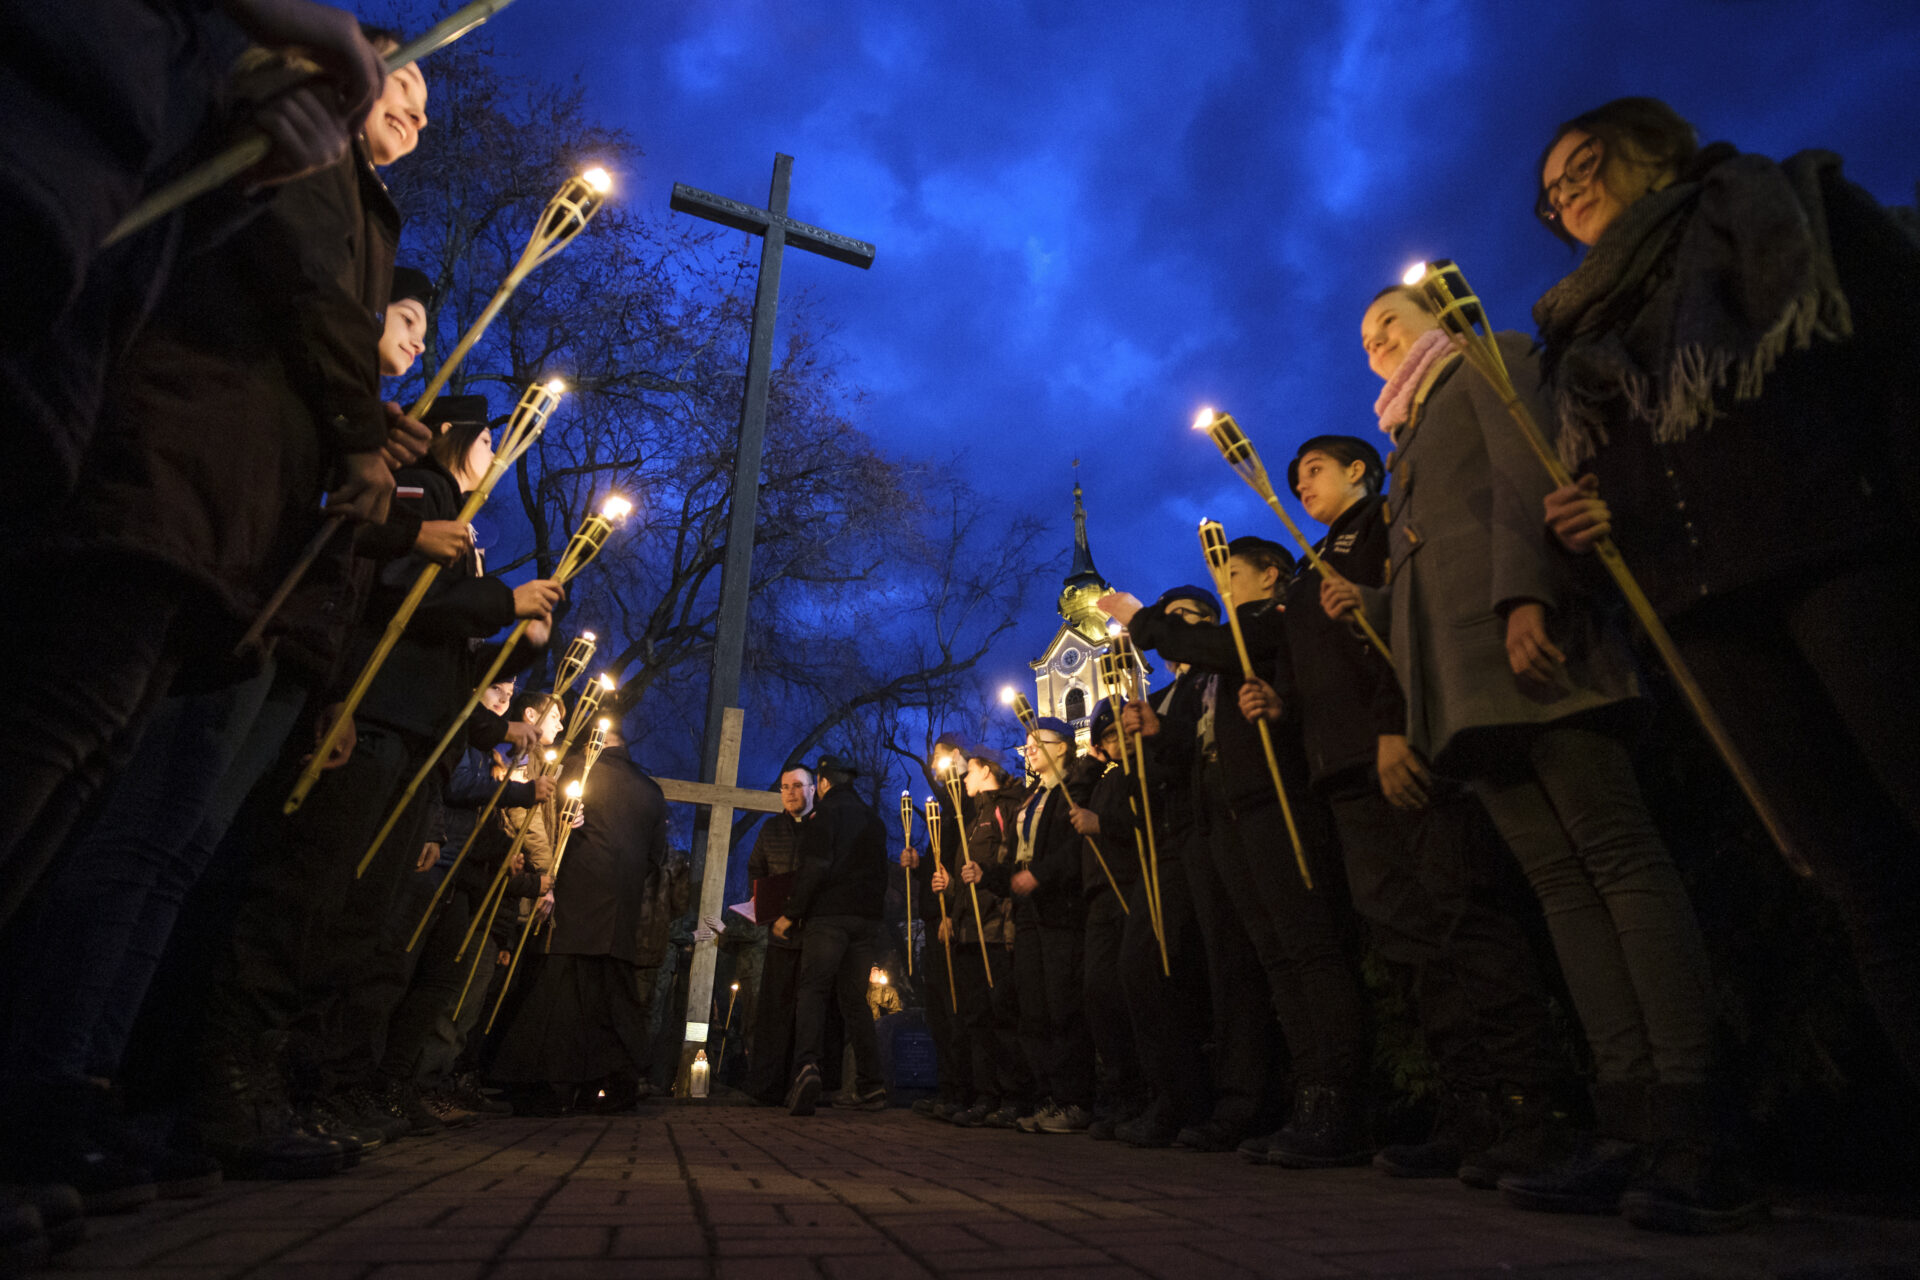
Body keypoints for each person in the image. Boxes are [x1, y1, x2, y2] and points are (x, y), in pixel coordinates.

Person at [1324, 277, 1741, 1230]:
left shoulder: (1488, 359)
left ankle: (1694, 1116)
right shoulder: (1409, 433)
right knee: (1560, 886)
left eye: (1392, 320)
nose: (1377, 341)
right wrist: (1377, 609)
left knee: (1618, 862)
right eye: (1364, 336)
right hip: (1466, 689)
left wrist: (1528, 597)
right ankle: (1629, 1120)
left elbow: (1527, 476)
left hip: (1531, 647)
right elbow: (1433, 569)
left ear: (1440, 317)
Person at [1534, 97, 1920, 1106]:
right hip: (1709, 612)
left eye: (1585, 163)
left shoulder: (1777, 206)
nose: (1568, 191)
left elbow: (1898, 343)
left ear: (1657, 148)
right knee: (1860, 875)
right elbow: (1619, 485)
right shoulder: (1581, 335)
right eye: (1551, 191)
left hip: (1838, 548)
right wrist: (1582, 526)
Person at [1244, 435, 1567, 1183]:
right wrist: (1281, 702)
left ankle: (1529, 1104)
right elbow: (1308, 668)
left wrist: (1393, 722)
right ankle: (1465, 1107)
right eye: (1294, 480)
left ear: (1360, 470)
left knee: (1461, 912)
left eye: (1314, 470)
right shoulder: (1312, 564)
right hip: (1344, 771)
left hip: (1401, 745)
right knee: (1405, 935)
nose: (1302, 485)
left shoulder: (1388, 524)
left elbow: (1403, 634)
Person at [1108, 541, 1373, 1165]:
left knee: (1307, 950)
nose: (1221, 583)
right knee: (1272, 959)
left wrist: (1142, 619)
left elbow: (1286, 694)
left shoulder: (1271, 623)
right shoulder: (1214, 670)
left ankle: (1338, 1098)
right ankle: (1306, 1095)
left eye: (1229, 572)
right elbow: (1202, 743)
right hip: (1223, 819)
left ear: (1270, 576)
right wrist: (1159, 735)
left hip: (1275, 808)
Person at [488, 719, 668, 1112]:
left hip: (570, 906)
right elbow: (657, 858)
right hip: (620, 916)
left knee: (559, 997)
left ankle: (547, 1086)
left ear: (593, 743)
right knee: (612, 1002)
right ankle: (612, 1083)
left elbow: (544, 825)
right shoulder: (651, 791)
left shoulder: (574, 770)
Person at [970, 717, 1097, 1134]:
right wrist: (988, 875)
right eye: (1025, 745)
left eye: (1037, 743)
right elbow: (1013, 859)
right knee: (1035, 1009)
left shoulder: (1070, 789)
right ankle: (1047, 1095)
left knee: (1062, 1005)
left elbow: (1071, 847)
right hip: (1027, 913)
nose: (1028, 750)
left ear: (1062, 747)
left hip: (1058, 908)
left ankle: (1073, 1098)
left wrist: (1041, 874)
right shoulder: (1030, 797)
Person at [775, 756, 889, 1116]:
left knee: (813, 990)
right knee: (855, 1001)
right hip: (865, 921)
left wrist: (790, 913)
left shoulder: (824, 815)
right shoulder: (873, 819)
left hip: (828, 919)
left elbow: (816, 867)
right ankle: (872, 1086)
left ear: (822, 783)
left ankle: (807, 1069)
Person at [933, 747, 1031, 1128]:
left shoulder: (1006, 809)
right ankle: (985, 1094)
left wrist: (986, 877)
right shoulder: (970, 821)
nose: (964, 778)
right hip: (970, 932)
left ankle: (1013, 1095)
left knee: (1003, 1014)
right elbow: (964, 875)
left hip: (996, 929)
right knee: (976, 1017)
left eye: (969, 770)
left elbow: (1009, 862)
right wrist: (950, 891)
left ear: (986, 769)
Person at [1070, 702, 1146, 1137]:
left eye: (1119, 735)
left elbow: (1142, 821)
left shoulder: (1140, 771)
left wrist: (1105, 824)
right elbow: (1074, 804)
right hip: (1099, 894)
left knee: (1132, 985)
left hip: (1130, 883)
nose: (1116, 744)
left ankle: (1143, 1093)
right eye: (1108, 739)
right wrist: (1090, 761)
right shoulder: (1103, 777)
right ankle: (1120, 1091)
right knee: (1099, 992)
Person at [741, 766, 817, 1105]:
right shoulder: (771, 828)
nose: (789, 793)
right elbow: (756, 867)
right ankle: (767, 1086)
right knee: (773, 1011)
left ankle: (804, 1081)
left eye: (797, 786)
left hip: (813, 935)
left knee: (809, 1013)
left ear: (813, 789)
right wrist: (763, 899)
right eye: (785, 787)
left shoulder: (822, 829)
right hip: (779, 935)